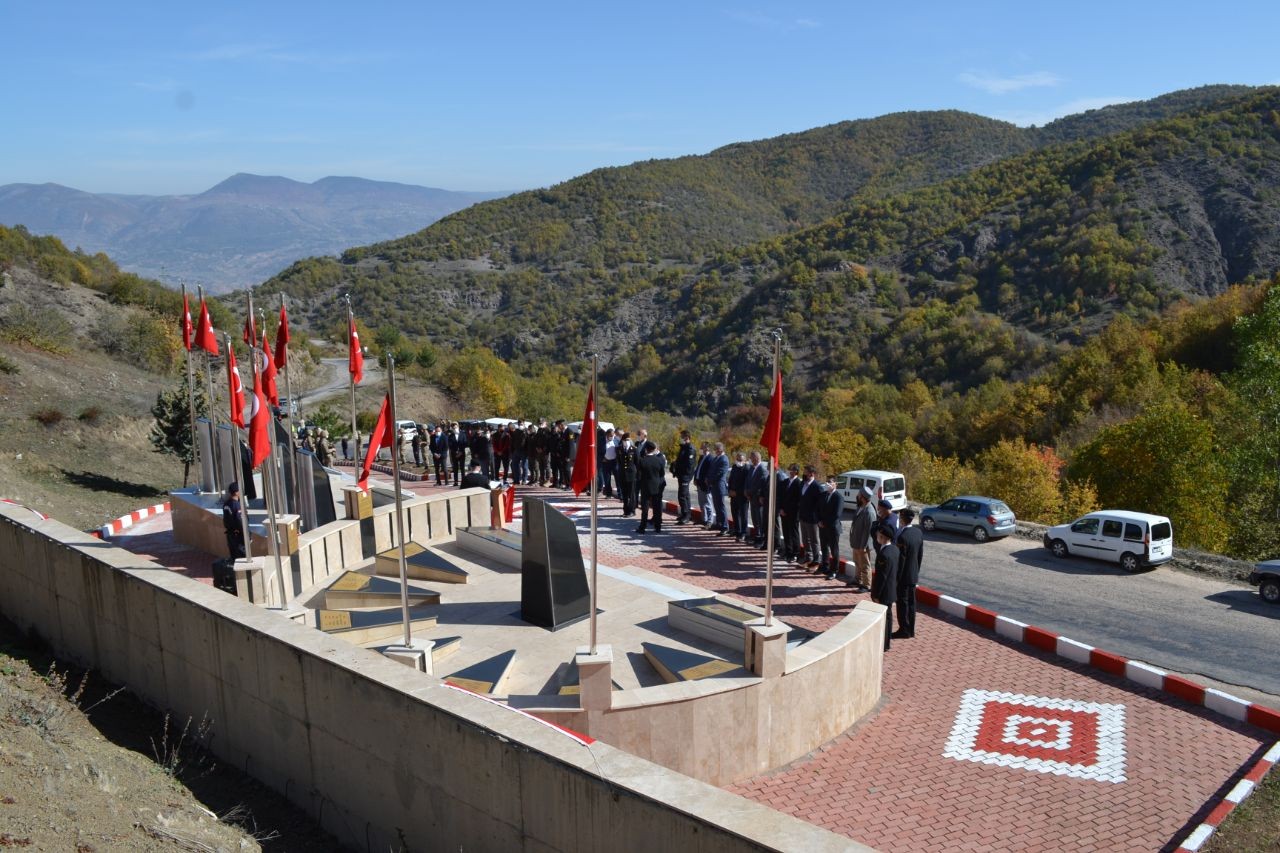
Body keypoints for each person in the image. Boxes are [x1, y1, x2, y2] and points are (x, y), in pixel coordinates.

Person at [894, 509, 924, 639]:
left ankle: (904, 629)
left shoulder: (902, 537)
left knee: (902, 604)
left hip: (903, 578)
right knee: (912, 604)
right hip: (913, 575)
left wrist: (896, 578)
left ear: (902, 519)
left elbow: (901, 561)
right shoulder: (918, 532)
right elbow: (920, 555)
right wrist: (916, 572)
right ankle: (911, 629)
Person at [871, 524, 900, 651]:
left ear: (883, 537)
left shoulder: (884, 554)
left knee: (884, 619)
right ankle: (886, 643)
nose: (877, 537)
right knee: (888, 617)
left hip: (884, 593)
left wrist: (876, 595)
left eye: (878, 535)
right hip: (891, 589)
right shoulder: (894, 549)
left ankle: (883, 644)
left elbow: (881, 577)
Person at [847, 487, 875, 593]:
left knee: (865, 565)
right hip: (856, 542)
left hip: (863, 545)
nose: (857, 496)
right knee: (857, 562)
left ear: (862, 497)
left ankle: (866, 585)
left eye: (859, 494)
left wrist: (863, 546)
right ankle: (857, 579)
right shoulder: (860, 506)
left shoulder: (869, 511)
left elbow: (868, 532)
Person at [635, 440, 667, 534]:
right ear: (653, 449)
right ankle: (658, 527)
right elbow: (662, 474)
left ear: (646, 450)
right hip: (656, 487)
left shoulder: (642, 461)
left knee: (645, 509)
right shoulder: (659, 460)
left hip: (645, 487)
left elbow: (639, 476)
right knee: (656, 507)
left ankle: (642, 527)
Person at [818, 474, 845, 579]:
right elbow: (818, 509)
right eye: (827, 482)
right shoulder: (823, 495)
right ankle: (825, 566)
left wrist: (825, 522)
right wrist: (819, 521)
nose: (828, 484)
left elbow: (836, 514)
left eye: (830, 482)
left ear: (835, 484)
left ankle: (834, 570)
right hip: (822, 527)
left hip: (833, 528)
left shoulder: (838, 497)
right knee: (824, 548)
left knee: (834, 550)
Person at [797, 466, 822, 569]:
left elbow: (820, 504)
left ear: (812, 474)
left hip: (812, 519)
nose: (804, 474)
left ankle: (816, 561)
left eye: (806, 473)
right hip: (803, 517)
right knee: (805, 539)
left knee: (813, 540)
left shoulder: (817, 487)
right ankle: (808, 557)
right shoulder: (803, 484)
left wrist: (817, 516)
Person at [745, 451, 769, 546]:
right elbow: (747, 480)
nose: (751, 460)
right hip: (751, 497)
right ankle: (757, 536)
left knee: (760, 519)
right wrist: (746, 490)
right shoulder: (752, 468)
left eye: (752, 458)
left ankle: (761, 538)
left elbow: (760, 485)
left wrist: (750, 492)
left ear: (757, 458)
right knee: (754, 519)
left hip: (758, 499)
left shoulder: (762, 469)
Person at [672, 431, 696, 524]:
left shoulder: (690, 449)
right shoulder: (683, 448)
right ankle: (685, 514)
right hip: (681, 475)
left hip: (685, 476)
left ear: (687, 437)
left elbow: (689, 466)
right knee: (685, 495)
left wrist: (685, 476)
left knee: (682, 495)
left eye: (682, 437)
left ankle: (686, 515)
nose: (680, 438)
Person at [779, 464, 802, 562]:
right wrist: (781, 509)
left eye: (791, 470)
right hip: (783, 512)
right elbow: (781, 497)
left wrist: (787, 510)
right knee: (786, 533)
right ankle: (788, 551)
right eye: (789, 470)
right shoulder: (785, 482)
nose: (789, 472)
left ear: (796, 471)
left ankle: (795, 553)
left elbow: (797, 501)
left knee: (793, 533)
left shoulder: (798, 483)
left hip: (793, 513)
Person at [707, 443, 730, 534]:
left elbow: (720, 473)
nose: (715, 450)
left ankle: (724, 526)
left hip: (719, 485)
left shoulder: (724, 459)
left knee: (721, 506)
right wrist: (708, 479)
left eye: (716, 449)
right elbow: (711, 470)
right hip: (714, 485)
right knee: (716, 505)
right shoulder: (716, 458)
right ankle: (719, 523)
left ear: (720, 449)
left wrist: (710, 480)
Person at [727, 452, 750, 540]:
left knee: (743, 515)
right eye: (737, 459)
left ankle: (743, 532)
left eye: (740, 460)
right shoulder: (734, 467)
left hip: (742, 496)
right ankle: (737, 530)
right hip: (733, 495)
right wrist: (729, 490)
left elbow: (746, 484)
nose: (739, 461)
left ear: (745, 460)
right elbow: (730, 479)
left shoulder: (747, 469)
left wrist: (737, 492)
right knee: (735, 513)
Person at [222, 481, 245, 560]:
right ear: (236, 492)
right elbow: (240, 520)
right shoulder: (236, 505)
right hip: (238, 536)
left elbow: (225, 520)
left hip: (230, 535)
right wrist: (246, 534)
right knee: (242, 559)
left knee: (234, 558)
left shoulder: (226, 504)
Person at [616, 432, 638, 517]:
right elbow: (619, 461)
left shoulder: (634, 449)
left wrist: (637, 474)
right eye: (625, 440)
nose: (627, 441)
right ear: (623, 440)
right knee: (624, 493)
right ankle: (626, 511)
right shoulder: (619, 449)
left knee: (631, 493)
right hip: (622, 474)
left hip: (631, 474)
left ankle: (632, 510)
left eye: (628, 440)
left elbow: (637, 462)